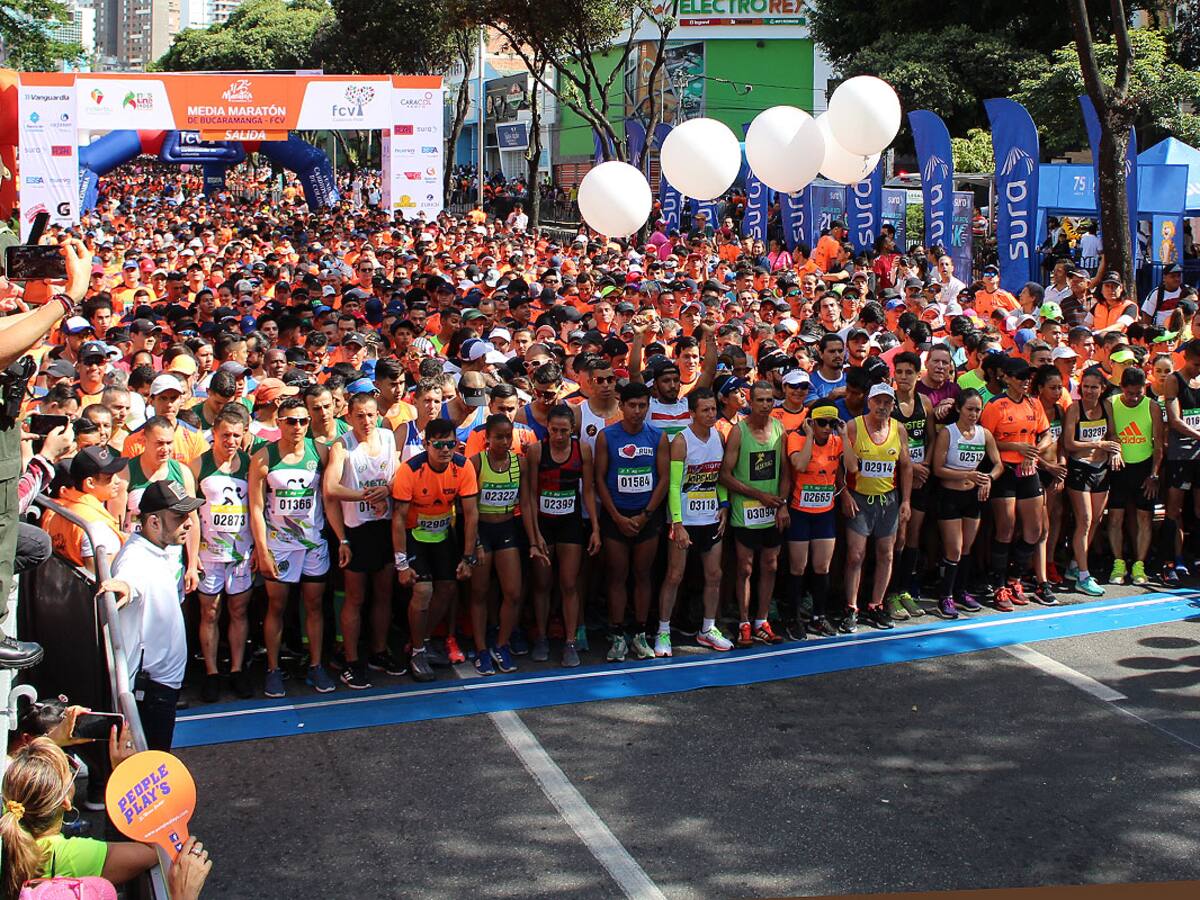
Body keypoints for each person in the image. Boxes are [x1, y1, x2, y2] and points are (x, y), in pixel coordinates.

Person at [103, 480, 204, 750]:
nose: (189, 523)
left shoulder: (159, 551)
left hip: (160, 689)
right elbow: (128, 581)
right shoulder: (135, 558)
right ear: (154, 522)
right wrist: (122, 587)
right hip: (150, 693)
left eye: (188, 515)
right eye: (179, 517)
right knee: (149, 766)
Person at [249, 395, 338, 698]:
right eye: (291, 421)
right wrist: (262, 551)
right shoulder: (263, 457)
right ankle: (273, 670)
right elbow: (256, 509)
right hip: (280, 547)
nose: (298, 427)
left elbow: (331, 495)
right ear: (279, 423)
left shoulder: (320, 452)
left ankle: (315, 666)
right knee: (277, 606)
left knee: (314, 606)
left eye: (303, 421)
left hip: (313, 544)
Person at [0, 737, 157, 897]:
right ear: (66, 802)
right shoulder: (73, 856)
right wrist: (127, 777)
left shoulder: (7, 820)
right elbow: (155, 850)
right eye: (70, 771)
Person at [323, 391, 404, 689]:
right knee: (355, 599)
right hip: (357, 530)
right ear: (349, 418)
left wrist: (388, 490)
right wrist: (367, 495)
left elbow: (398, 475)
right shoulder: (342, 447)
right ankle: (352, 659)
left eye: (370, 414)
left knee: (383, 594)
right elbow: (330, 488)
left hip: (384, 528)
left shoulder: (387, 437)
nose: (366, 421)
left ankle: (379, 651)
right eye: (359, 415)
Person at [392, 417, 479, 682]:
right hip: (413, 535)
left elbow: (471, 513)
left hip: (442, 535)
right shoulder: (410, 470)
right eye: (438, 444)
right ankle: (418, 651)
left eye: (450, 444)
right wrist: (401, 564)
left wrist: (468, 556)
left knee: (448, 588)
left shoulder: (463, 467)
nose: (445, 450)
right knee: (422, 589)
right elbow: (398, 517)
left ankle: (421, 639)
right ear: (425, 444)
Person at [593, 381, 670, 662]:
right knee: (617, 575)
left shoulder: (657, 437)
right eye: (632, 405)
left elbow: (663, 479)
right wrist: (615, 516)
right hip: (616, 518)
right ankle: (616, 634)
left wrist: (645, 514)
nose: (637, 411)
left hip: (646, 518)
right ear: (621, 405)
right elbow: (599, 478)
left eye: (642, 406)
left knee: (642, 574)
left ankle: (638, 633)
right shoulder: (607, 436)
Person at [525, 404, 600, 668]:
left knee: (569, 583)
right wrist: (534, 536)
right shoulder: (536, 451)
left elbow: (588, 491)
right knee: (543, 584)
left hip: (570, 523)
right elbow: (531, 497)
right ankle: (542, 637)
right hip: (544, 525)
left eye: (564, 431)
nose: (558, 436)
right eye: (554, 430)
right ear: (547, 429)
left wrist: (595, 529)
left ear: (573, 430)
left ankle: (570, 641)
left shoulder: (583, 451)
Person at [658, 388, 732, 655]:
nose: (712, 414)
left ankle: (707, 629)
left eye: (714, 409)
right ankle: (663, 632)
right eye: (705, 410)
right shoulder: (681, 441)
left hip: (710, 517)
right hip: (685, 520)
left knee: (715, 574)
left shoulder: (719, 437)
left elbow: (718, 476)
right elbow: (674, 485)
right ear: (692, 413)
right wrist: (677, 523)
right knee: (674, 575)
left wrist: (724, 504)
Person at [191, 404, 255, 701]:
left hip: (241, 551)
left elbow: (258, 509)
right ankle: (212, 672)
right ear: (214, 434)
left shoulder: (250, 463)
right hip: (209, 553)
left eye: (236, 436)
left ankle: (238, 669)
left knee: (239, 610)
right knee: (210, 612)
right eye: (225, 435)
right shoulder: (198, 465)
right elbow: (189, 515)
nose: (231, 441)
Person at [980, 357, 1053, 610]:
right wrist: (1014, 446)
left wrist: (1034, 450)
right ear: (1007, 378)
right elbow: (985, 440)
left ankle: (1015, 578)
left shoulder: (1034, 403)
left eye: (1028, 377)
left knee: (1034, 530)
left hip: (1028, 469)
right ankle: (999, 585)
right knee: (1006, 529)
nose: (1025, 381)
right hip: (1006, 470)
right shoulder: (995, 406)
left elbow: (1046, 434)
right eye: (1020, 377)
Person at [721, 381, 789, 646]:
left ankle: (762, 621)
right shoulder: (739, 432)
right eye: (759, 400)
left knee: (770, 565)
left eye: (769, 400)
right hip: (745, 512)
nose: (764, 405)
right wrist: (758, 495)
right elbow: (725, 476)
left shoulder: (779, 429)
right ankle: (744, 622)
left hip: (772, 510)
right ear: (750, 401)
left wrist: (782, 503)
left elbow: (785, 472)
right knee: (745, 568)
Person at [841, 383, 912, 632]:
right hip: (859, 498)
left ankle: (876, 604)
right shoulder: (854, 427)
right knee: (855, 555)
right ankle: (851, 607)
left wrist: (906, 501)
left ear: (893, 406)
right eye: (878, 401)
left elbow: (905, 466)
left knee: (887, 553)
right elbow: (839, 463)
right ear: (869, 402)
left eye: (887, 403)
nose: (882, 407)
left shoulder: (898, 429)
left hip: (888, 499)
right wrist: (844, 494)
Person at [930, 390, 1003, 618]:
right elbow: (938, 469)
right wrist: (967, 475)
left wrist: (988, 479)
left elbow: (998, 464)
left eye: (977, 410)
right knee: (954, 548)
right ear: (959, 409)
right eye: (969, 409)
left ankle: (961, 591)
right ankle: (945, 595)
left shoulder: (984, 434)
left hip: (973, 498)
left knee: (966, 548)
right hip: (950, 497)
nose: (973, 414)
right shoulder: (948, 434)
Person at [468, 415, 528, 673]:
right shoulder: (476, 463)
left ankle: (501, 645)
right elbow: (469, 510)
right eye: (499, 437)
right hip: (481, 530)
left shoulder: (519, 463)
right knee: (480, 593)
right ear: (487, 438)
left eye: (508, 436)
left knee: (513, 592)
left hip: (506, 529)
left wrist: (535, 540)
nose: (505, 442)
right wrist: (476, 543)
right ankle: (481, 649)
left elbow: (525, 503)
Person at [1061, 367, 1121, 596]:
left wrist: (1115, 451)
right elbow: (1069, 443)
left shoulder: (1106, 407)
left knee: (1095, 519)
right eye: (1085, 386)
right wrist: (1099, 445)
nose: (1089, 391)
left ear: (1102, 389)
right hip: (1080, 468)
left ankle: (1076, 566)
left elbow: (1113, 435)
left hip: (1101, 469)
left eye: (1094, 387)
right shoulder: (1075, 409)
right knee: (1084, 520)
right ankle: (1084, 576)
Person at [787, 404, 843, 637]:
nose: (827, 428)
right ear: (811, 422)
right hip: (799, 511)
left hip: (824, 512)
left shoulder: (837, 442)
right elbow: (799, 465)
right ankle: (793, 617)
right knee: (798, 567)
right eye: (822, 423)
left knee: (822, 567)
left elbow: (852, 466)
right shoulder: (796, 439)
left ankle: (818, 617)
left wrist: (846, 437)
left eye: (832, 423)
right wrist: (809, 435)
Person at [1106, 366, 1163, 587]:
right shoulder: (1112, 404)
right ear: (1122, 388)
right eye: (1130, 393)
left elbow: (1158, 444)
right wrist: (1116, 452)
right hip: (1119, 469)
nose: (1134, 398)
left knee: (1144, 518)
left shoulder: (1152, 406)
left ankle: (1139, 565)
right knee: (1115, 518)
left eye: (1138, 393)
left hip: (1144, 469)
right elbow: (1111, 434)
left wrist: (1154, 475)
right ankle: (1119, 563)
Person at [40, 446, 126, 575]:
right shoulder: (98, 528)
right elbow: (104, 583)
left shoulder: (54, 510)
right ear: (90, 483)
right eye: (109, 478)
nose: (117, 481)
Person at [1159, 338, 1200, 584]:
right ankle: (1171, 560)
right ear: (1187, 359)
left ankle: (1194, 556)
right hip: (1180, 455)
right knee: (1174, 509)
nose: (1198, 369)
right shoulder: (1175, 380)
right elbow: (1174, 420)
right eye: (1195, 364)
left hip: (1198, 455)